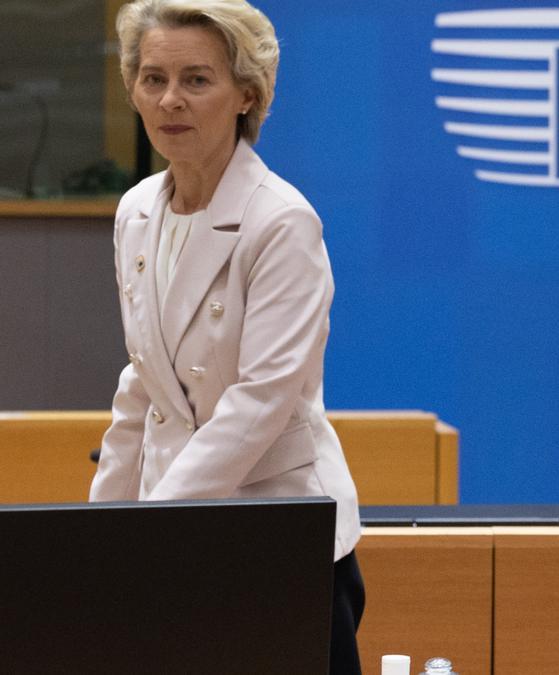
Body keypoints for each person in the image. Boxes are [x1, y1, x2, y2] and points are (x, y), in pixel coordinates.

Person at [89, 1, 364, 672]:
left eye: (196, 79)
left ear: (247, 93)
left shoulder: (282, 221)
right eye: (152, 78)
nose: (170, 100)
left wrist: (153, 524)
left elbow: (261, 402)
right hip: (174, 526)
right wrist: (97, 532)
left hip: (276, 536)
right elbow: (143, 382)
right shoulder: (135, 210)